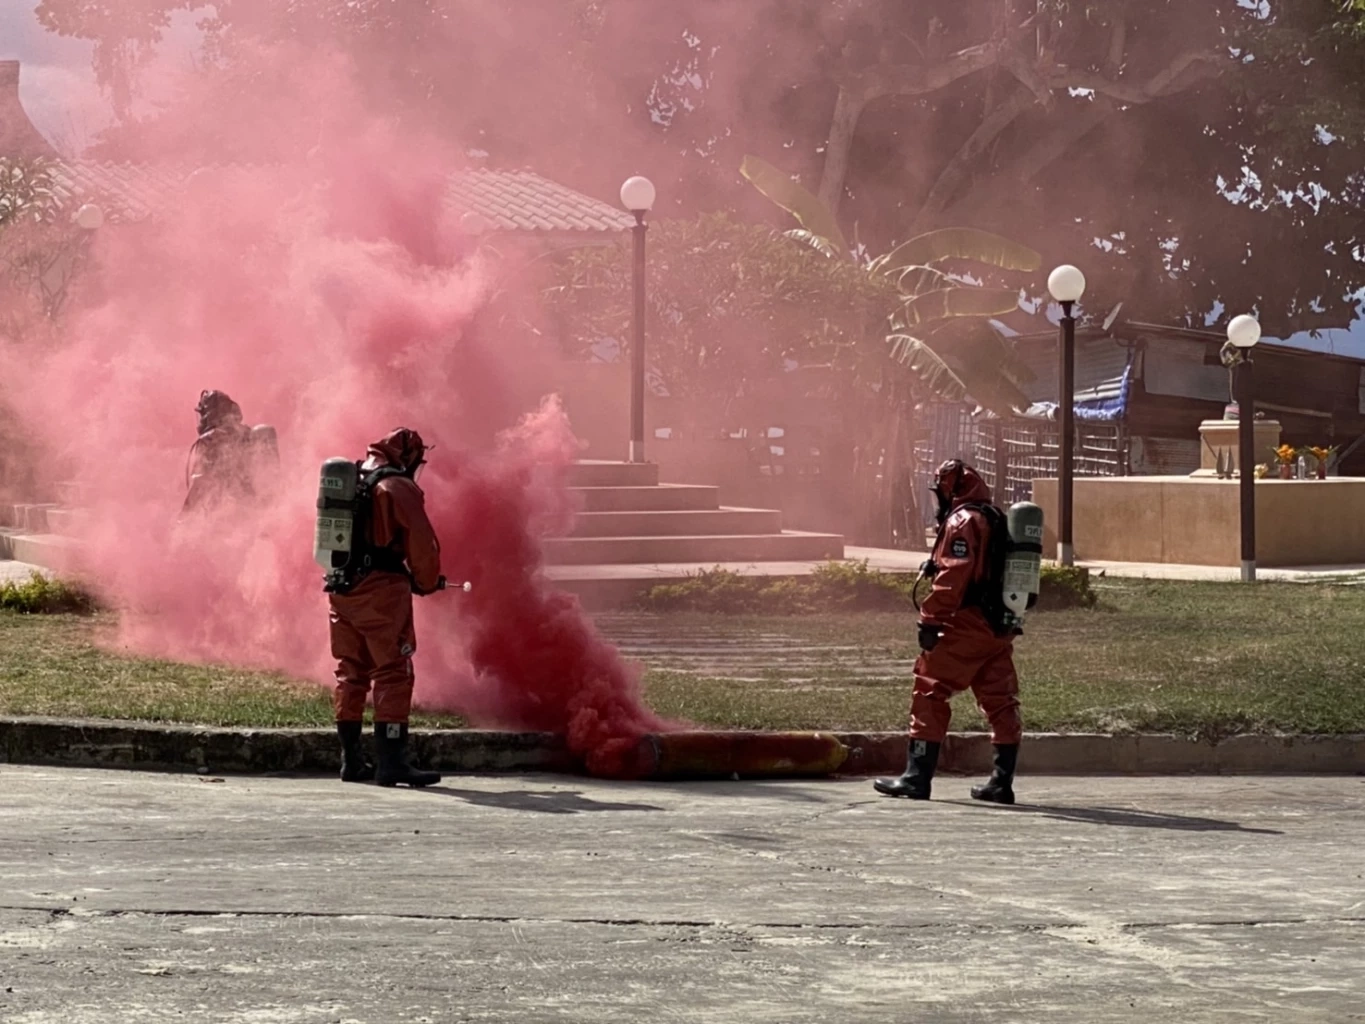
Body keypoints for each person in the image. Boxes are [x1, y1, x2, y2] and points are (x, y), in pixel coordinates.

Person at [874, 459, 1021, 804]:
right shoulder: (994, 517)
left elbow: (953, 577)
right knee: (1000, 701)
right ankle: (1002, 783)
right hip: (998, 627)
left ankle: (916, 777)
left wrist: (930, 619)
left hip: (965, 624)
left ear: (951, 488)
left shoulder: (962, 520)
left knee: (929, 689)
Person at [328, 427, 444, 788]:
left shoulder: (352, 478)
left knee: (351, 670)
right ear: (408, 456)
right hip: (380, 592)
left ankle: (351, 761)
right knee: (393, 671)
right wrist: (426, 583)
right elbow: (423, 545)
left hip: (341, 589)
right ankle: (392, 763)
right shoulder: (398, 486)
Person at [181, 390, 278, 516]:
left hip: (232, 514)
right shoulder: (254, 435)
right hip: (260, 511)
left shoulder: (210, 441)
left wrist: (182, 521)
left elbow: (199, 483)